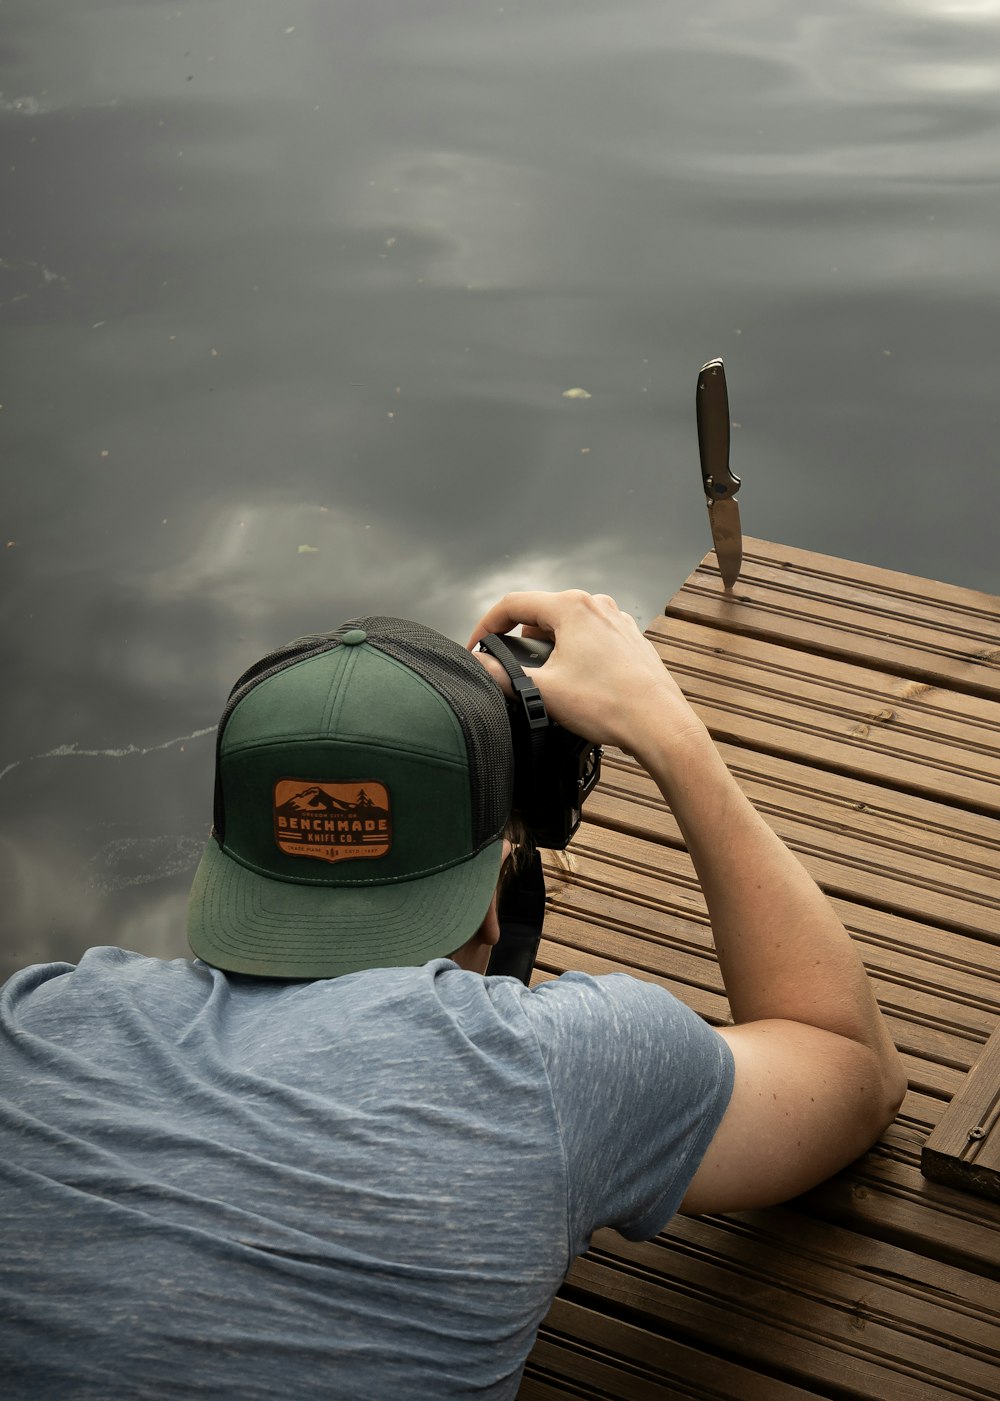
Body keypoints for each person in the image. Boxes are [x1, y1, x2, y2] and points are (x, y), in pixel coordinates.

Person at [0, 590, 906, 1400]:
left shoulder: (34, 1024)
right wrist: (669, 729)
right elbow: (850, 1062)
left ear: (221, 854)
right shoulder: (551, 1069)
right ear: (490, 892)